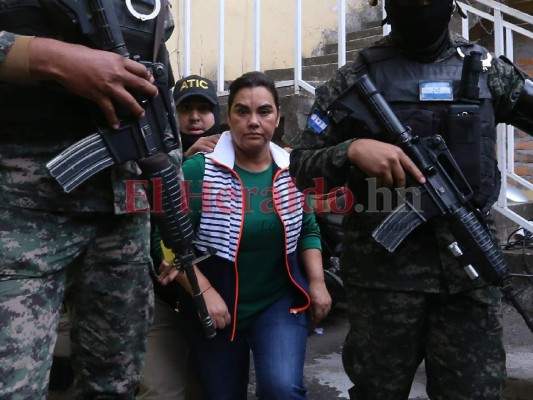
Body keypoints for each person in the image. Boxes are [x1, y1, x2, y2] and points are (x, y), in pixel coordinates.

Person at [289, 1, 533, 399]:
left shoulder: (487, 71)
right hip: (383, 282)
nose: (421, 6)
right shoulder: (354, 79)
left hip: (468, 276)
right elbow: (300, 167)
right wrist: (351, 150)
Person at [0, 1, 179, 398]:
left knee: (116, 386)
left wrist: (171, 201)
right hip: (19, 211)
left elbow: (157, 87)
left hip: (122, 213)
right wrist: (54, 59)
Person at [157, 71, 332, 399]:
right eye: (242, 111)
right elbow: (164, 239)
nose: (254, 121)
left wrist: (318, 283)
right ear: (228, 117)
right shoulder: (199, 171)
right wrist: (203, 292)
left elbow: (308, 230)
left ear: (278, 117)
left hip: (278, 301)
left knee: (282, 388)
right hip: (215, 305)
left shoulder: (293, 169)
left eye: (264, 111)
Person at [138, 75, 221, 400]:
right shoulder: (151, 149)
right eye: (186, 109)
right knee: (165, 389)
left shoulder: (233, 149)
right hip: (161, 296)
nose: (196, 117)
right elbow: (147, 219)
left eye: (204, 108)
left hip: (216, 299)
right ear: (172, 113)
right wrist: (181, 163)